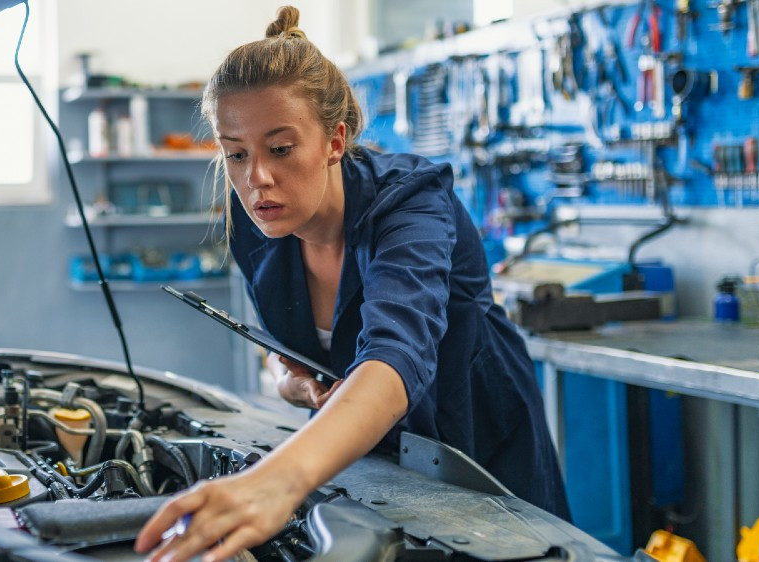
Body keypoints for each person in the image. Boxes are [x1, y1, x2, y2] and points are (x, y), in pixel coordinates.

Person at [134, 6, 570, 562]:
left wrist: (279, 480)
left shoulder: (411, 203)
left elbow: (395, 359)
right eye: (236, 153)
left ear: (335, 141)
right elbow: (286, 345)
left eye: (281, 148)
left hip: (474, 448)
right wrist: (287, 380)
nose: (256, 178)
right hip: (359, 459)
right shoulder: (256, 216)